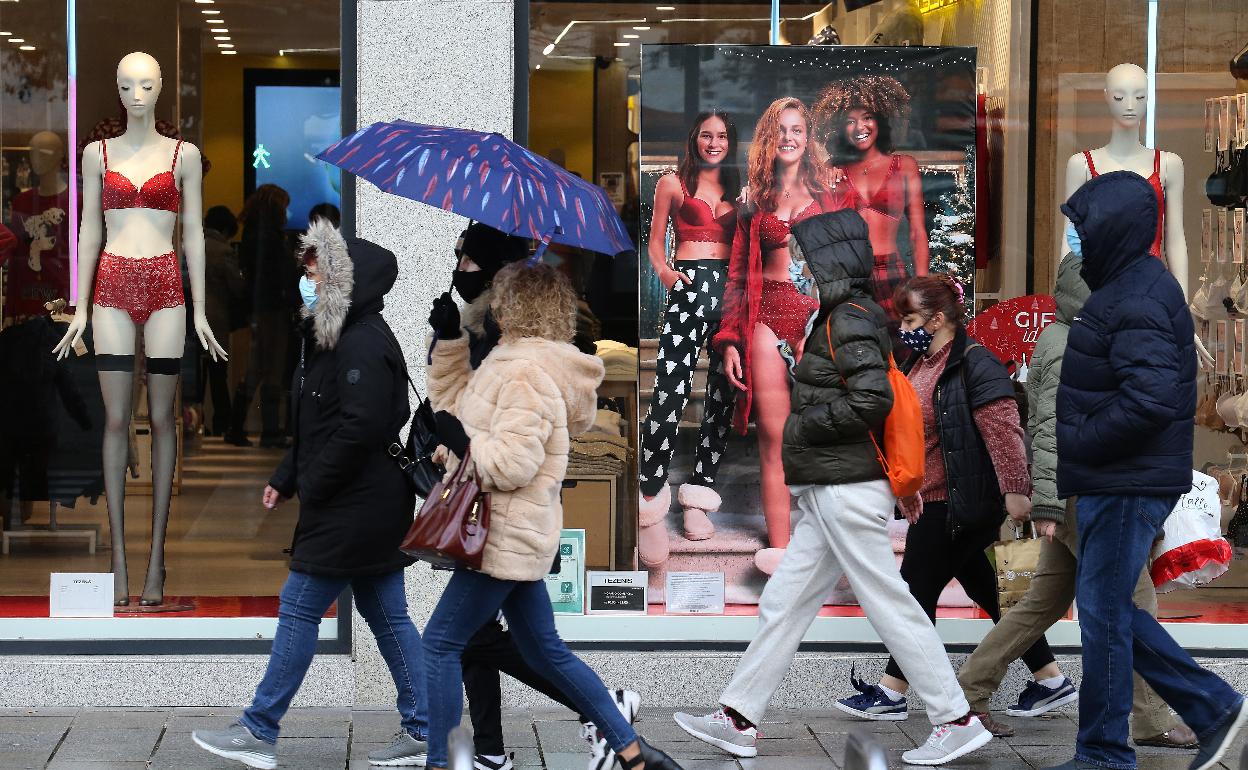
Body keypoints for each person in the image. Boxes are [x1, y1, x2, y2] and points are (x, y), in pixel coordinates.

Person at [674, 210, 991, 766]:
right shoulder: (838, 315)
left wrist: (800, 425)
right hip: (831, 490)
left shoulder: (848, 317)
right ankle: (738, 718)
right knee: (784, 602)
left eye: (803, 256)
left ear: (828, 262)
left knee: (890, 604)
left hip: (846, 488)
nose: (796, 265)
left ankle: (956, 718)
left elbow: (873, 399)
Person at [424, 262, 684, 770]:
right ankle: (634, 753)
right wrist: (451, 342)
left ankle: (438, 762)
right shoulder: (514, 361)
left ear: (515, 306)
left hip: (502, 534)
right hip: (514, 532)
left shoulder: (524, 371)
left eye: (500, 298)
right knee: (545, 652)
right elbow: (458, 404)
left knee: (439, 645)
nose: (493, 307)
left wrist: (463, 445)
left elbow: (513, 463)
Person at [191, 221, 429, 769]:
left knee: (299, 605)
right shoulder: (329, 335)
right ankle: (424, 728)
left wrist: (315, 482)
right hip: (361, 503)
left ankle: (259, 729)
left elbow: (360, 426)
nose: (306, 273)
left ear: (344, 279)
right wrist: (285, 475)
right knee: (389, 614)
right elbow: (316, 423)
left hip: (356, 505)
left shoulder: (360, 343)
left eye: (316, 266)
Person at [1042, 170, 1247, 770]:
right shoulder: (1129, 289)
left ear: (1111, 228)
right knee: (1109, 611)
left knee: (1105, 613)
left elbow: (1150, 399)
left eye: (1081, 227)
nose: (1075, 238)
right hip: (1119, 478)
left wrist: (1080, 438)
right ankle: (1142, 734)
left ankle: (1133, 740)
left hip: (1125, 481)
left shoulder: (1134, 296)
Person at [955, 250, 1197, 748]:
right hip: (1083, 498)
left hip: (1076, 495)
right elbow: (1050, 431)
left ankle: (966, 696)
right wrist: (1047, 504)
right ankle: (1151, 721)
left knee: (1037, 607)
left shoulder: (1068, 336)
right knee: (1136, 606)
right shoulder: (1075, 344)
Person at [834, 274, 1058, 731]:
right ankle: (1049, 677)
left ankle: (894, 691)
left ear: (938, 319)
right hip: (934, 497)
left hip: (963, 502)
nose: (904, 327)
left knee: (914, 592)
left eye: (911, 318)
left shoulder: (975, 364)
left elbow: (1005, 432)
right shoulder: (919, 361)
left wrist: (1018, 492)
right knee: (985, 588)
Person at [713, 96, 849, 576]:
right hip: (767, 316)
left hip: (818, 321)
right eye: (781, 131)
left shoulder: (834, 193)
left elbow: (855, 261)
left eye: (798, 129)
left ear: (807, 138)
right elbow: (735, 276)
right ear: (769, 140)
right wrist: (729, 338)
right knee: (774, 438)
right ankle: (782, 555)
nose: (789, 138)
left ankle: (828, 545)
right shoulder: (754, 201)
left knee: (824, 438)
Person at [637, 109, 741, 567]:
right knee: (669, 394)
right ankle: (650, 497)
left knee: (721, 396)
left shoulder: (742, 188)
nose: (713, 142)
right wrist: (664, 273)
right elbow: (654, 239)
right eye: (706, 135)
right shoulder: (671, 183)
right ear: (694, 138)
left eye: (720, 136)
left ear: (730, 141)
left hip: (729, 293)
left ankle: (699, 496)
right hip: (687, 287)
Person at [813, 75, 929, 330]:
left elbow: (917, 231)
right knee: (855, 348)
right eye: (850, 121)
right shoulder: (834, 170)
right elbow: (824, 231)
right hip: (850, 277)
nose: (860, 127)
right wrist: (829, 174)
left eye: (867, 117)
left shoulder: (904, 166)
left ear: (881, 120)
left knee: (900, 350)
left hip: (892, 272)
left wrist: (921, 285)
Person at [226, 183, 297, 448]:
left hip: (260, 309)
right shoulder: (271, 238)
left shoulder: (252, 235)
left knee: (256, 367)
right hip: (273, 310)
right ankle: (270, 430)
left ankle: (238, 426)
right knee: (273, 368)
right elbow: (279, 275)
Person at [202, 205, 243, 436]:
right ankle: (221, 422)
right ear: (227, 229)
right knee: (218, 373)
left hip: (190, 317)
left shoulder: (190, 244)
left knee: (197, 375)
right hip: (216, 317)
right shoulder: (224, 251)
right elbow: (236, 287)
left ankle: (195, 420)